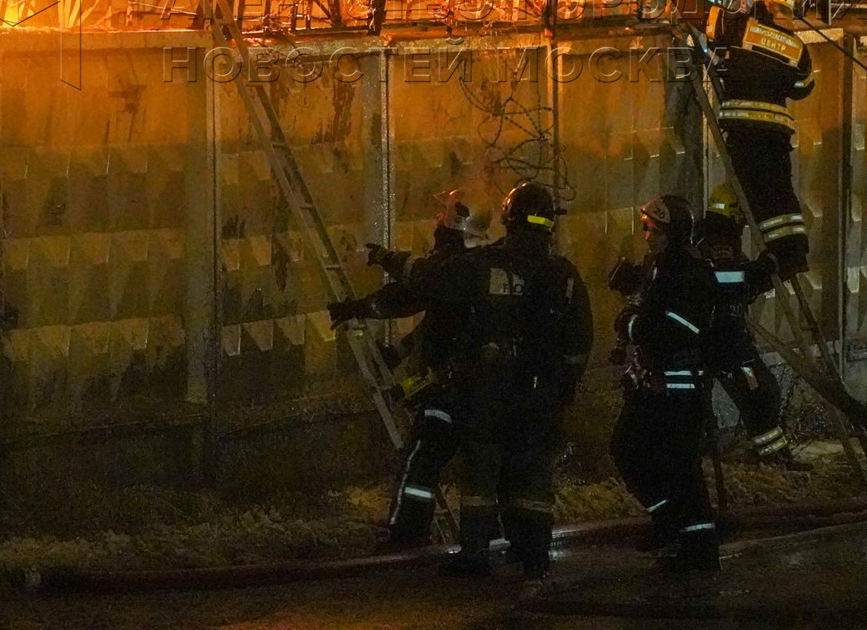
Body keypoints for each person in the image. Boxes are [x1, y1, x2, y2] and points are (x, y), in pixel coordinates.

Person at [332, 181, 592, 578]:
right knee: (530, 476)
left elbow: (426, 282)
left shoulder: (486, 265)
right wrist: (564, 387)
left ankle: (474, 554)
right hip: (540, 396)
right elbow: (579, 340)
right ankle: (533, 553)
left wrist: (383, 258)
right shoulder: (564, 274)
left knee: (481, 472)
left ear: (510, 217)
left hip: (489, 392)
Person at [346, 191, 480, 548]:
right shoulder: (481, 267)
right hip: (474, 387)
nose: (436, 220)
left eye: (441, 214)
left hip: (451, 387)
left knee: (421, 460)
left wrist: (363, 303)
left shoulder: (453, 268)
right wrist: (398, 353)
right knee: (478, 465)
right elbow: (435, 324)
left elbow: (412, 292)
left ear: (454, 223)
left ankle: (407, 535)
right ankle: (488, 538)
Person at [609, 195, 722, 575]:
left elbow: (680, 330)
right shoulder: (659, 267)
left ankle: (700, 549)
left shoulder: (689, 273)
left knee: (680, 469)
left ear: (672, 233)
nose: (647, 236)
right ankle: (668, 523)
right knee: (628, 451)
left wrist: (631, 325)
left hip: (679, 391)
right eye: (646, 228)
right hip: (650, 386)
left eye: (653, 230)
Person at [705, 0, 815, 278]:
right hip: (777, 134)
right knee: (778, 191)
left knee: (756, 193)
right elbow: (802, 88)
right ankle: (793, 253)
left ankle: (775, 258)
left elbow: (702, 14)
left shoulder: (742, 28)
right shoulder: (797, 47)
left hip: (745, 130)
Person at [694, 184, 805, 469]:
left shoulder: (707, 237)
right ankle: (771, 458)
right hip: (725, 340)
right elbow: (726, 281)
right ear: (735, 212)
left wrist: (764, 274)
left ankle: (703, 460)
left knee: (703, 405)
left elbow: (740, 283)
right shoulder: (719, 242)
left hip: (712, 337)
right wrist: (761, 269)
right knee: (760, 393)